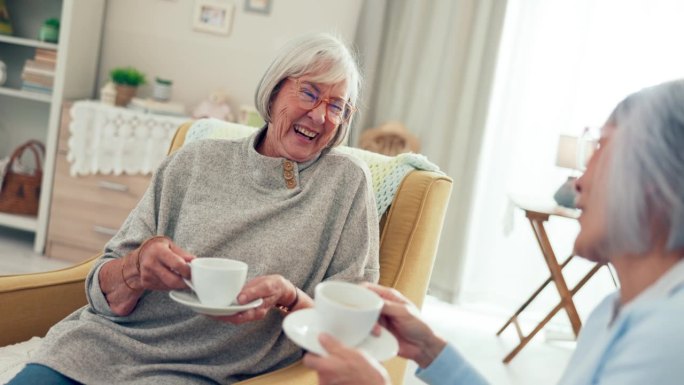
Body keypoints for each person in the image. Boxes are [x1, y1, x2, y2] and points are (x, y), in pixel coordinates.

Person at [9, 33, 379, 384]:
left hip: (199, 374)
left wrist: (290, 297)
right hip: (96, 348)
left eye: (337, 107)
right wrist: (135, 269)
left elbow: (350, 327)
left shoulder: (346, 184)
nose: (319, 116)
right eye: (309, 93)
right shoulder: (194, 161)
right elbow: (103, 291)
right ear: (274, 89)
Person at [303, 79, 684, 385]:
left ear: (658, 179)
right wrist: (429, 349)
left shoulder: (669, 337)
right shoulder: (612, 312)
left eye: (602, 150)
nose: (578, 183)